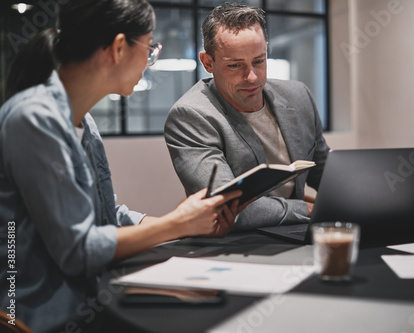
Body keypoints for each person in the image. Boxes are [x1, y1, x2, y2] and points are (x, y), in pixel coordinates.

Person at [0, 1, 245, 331]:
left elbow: (106, 215)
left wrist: (188, 223)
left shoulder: (83, 121)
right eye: (149, 47)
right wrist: (176, 224)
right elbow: (79, 250)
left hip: (92, 296)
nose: (150, 59)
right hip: (38, 314)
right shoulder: (34, 120)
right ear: (118, 48)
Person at [164, 3, 330, 231]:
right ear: (208, 62)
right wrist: (306, 210)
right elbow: (227, 206)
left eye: (259, 61)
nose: (252, 77)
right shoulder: (191, 116)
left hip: (297, 232)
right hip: (237, 243)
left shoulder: (298, 96)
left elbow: (325, 172)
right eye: (235, 65)